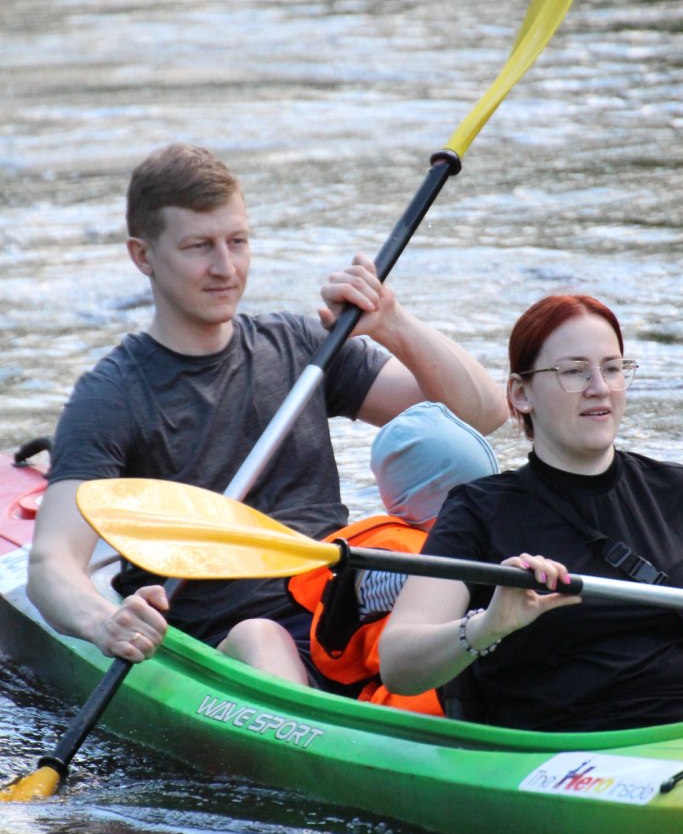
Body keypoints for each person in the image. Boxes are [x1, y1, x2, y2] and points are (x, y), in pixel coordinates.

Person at [26, 143, 507, 685]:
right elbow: (51, 565)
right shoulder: (112, 394)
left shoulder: (302, 348)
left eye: (238, 241)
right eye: (199, 246)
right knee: (262, 635)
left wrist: (395, 323)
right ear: (143, 256)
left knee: (466, 583)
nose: (225, 268)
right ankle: (323, 751)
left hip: (336, 609)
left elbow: (484, 413)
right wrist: (106, 623)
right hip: (228, 640)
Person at [379, 294, 683, 731]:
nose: (599, 388)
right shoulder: (480, 511)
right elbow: (398, 664)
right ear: (521, 395)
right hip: (556, 754)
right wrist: (490, 624)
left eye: (612, 368)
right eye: (574, 372)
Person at [288, 401, 499, 713]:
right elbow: (433, 592)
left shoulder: (474, 543)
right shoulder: (384, 567)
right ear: (443, 503)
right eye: (481, 497)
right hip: (406, 709)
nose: (492, 509)